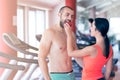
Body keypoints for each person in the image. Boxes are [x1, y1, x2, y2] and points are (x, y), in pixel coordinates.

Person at [38, 6, 75, 80]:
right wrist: (47, 78)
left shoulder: (70, 34)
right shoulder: (50, 33)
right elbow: (41, 57)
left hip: (71, 75)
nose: (70, 18)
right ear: (59, 14)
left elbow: (76, 54)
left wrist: (88, 68)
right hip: (57, 76)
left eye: (72, 16)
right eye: (67, 15)